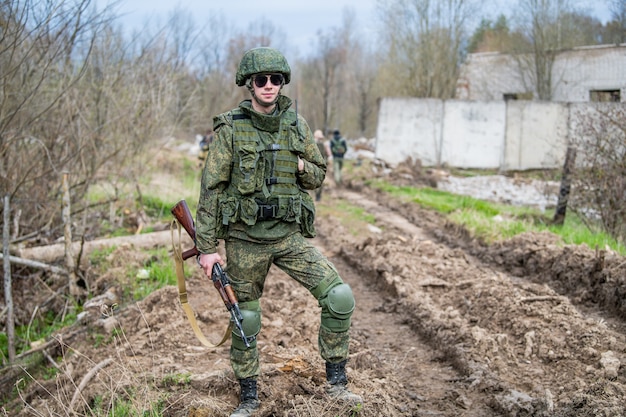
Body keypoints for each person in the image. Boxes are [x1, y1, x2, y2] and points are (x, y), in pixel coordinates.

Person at [195, 47, 362, 417]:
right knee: (247, 318)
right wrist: (207, 248)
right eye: (261, 80)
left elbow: (318, 174)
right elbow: (211, 190)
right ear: (249, 84)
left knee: (340, 296)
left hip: (287, 237)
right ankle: (249, 397)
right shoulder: (230, 129)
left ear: (282, 82)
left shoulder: (297, 125)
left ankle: (337, 383)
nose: (269, 86)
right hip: (243, 239)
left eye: (275, 79)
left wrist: (299, 163)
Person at [313, 129, 331, 201]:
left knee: (313, 179)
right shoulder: (325, 144)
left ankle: (315, 194)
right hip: (322, 165)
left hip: (313, 164)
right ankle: (318, 196)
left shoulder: (311, 142)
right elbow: (329, 154)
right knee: (320, 180)